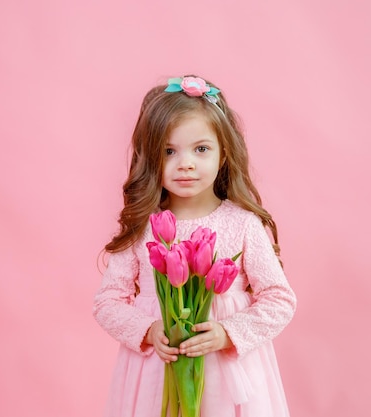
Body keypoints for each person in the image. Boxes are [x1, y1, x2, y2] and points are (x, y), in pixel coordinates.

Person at [93, 75, 297, 417]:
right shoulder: (146, 227)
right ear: (149, 157)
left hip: (225, 372)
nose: (185, 163)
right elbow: (107, 301)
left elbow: (280, 299)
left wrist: (229, 333)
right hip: (158, 371)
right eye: (168, 151)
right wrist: (147, 330)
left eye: (200, 149)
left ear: (223, 154)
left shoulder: (243, 223)